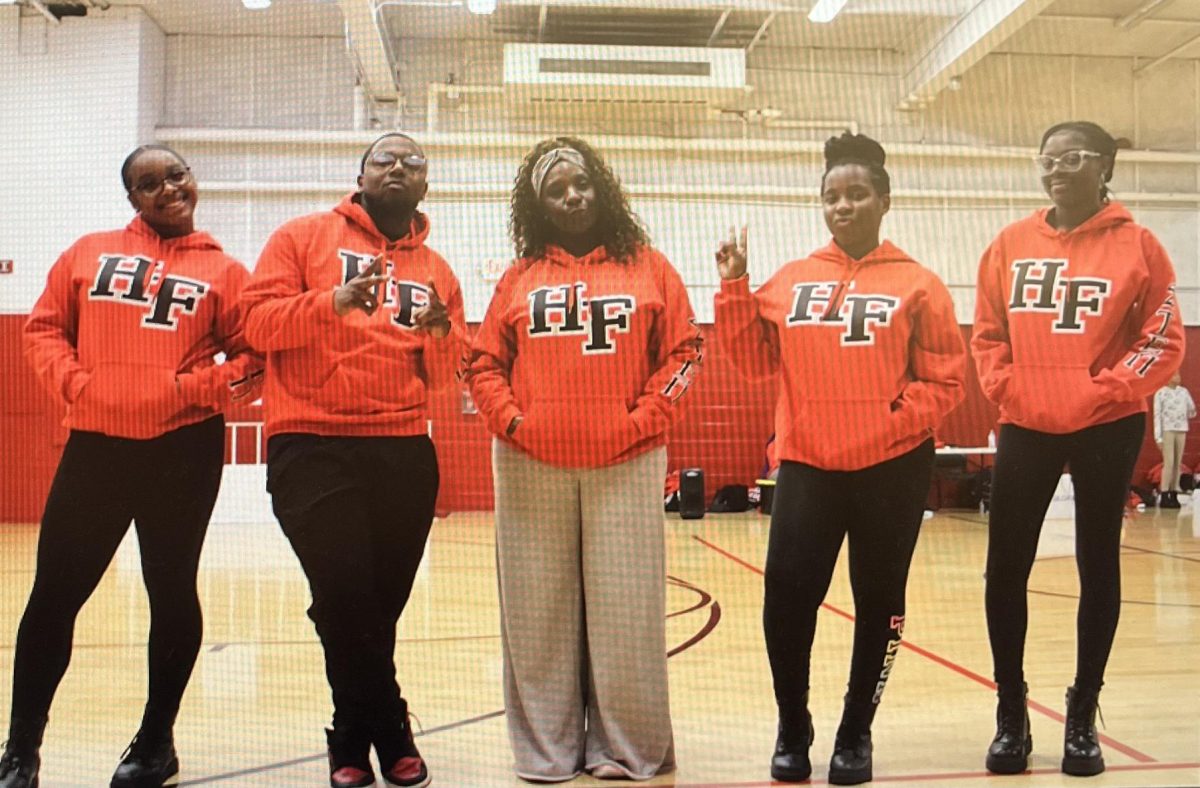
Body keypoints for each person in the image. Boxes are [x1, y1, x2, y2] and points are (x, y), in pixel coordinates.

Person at [0, 145, 263, 788]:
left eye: (176, 175)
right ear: (132, 199)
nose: (168, 188)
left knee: (172, 591)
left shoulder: (229, 272)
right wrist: (77, 388)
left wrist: (188, 391)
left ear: (193, 180)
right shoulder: (87, 252)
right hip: (97, 447)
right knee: (54, 597)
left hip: (184, 450)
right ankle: (20, 750)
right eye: (149, 183)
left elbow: (253, 362)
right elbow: (42, 330)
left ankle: (155, 744)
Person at [714, 133, 966, 785]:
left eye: (856, 194)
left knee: (879, 600)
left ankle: (856, 732)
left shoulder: (920, 284)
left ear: (884, 199)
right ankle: (792, 727)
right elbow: (749, 362)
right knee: (787, 599)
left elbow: (945, 383)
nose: (842, 206)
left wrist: (888, 422)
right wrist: (734, 285)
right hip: (808, 466)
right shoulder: (792, 279)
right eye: (831, 197)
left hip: (892, 468)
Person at [464, 136, 702, 782]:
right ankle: (548, 751)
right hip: (529, 462)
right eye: (555, 190)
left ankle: (628, 748)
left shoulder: (650, 267)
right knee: (537, 612)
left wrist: (641, 420)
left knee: (626, 611)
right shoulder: (518, 278)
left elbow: (684, 355)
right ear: (537, 206)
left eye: (581, 183)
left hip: (626, 461)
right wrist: (513, 420)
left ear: (602, 187)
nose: (572, 197)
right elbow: (483, 364)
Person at [240, 132, 464, 788]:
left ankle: (353, 734)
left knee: (374, 604)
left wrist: (442, 334)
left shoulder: (437, 269)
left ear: (425, 185)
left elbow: (446, 381)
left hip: (401, 446)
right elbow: (256, 327)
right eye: (384, 159)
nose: (398, 167)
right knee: (344, 593)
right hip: (311, 443)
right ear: (360, 176)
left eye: (412, 163)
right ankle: (379, 727)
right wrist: (332, 302)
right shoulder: (301, 237)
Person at [972, 120, 1184, 777]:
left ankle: (1082, 713)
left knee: (1099, 562)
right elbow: (987, 334)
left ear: (1105, 166)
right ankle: (1011, 711)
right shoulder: (1009, 243)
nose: (1056, 168)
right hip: (1028, 424)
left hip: (1107, 422)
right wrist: (1013, 391)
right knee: (1005, 566)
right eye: (1047, 158)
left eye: (1072, 158)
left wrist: (1107, 390)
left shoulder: (1139, 245)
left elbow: (1164, 337)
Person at [1153, 371, 1195, 508]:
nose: (1178, 377)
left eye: (1178, 375)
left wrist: (1189, 410)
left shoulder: (1184, 392)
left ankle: (1174, 492)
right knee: (1169, 462)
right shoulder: (1161, 393)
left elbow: (1192, 410)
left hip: (1181, 429)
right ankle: (1164, 492)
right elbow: (1157, 416)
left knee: (1178, 462)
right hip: (1167, 430)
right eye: (1174, 375)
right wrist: (1158, 437)